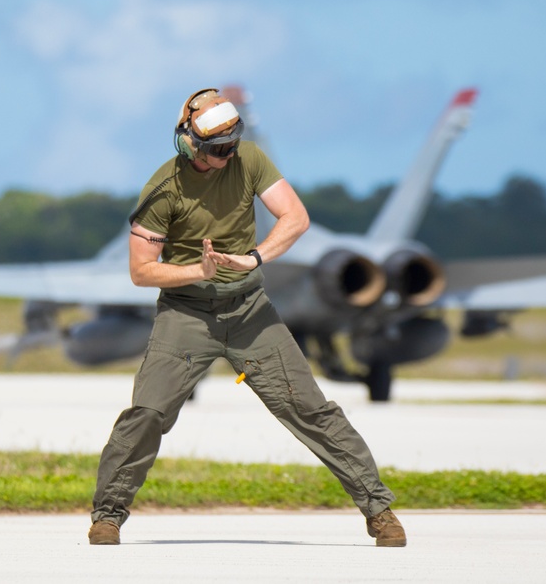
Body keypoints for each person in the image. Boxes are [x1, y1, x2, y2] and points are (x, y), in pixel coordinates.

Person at [88, 87, 406, 547]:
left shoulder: (249, 159)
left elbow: (295, 217)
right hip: (187, 314)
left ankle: (379, 511)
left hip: (250, 311)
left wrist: (256, 258)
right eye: (218, 149)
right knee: (148, 413)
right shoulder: (163, 191)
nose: (228, 154)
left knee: (310, 409)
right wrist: (199, 270)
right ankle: (108, 515)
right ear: (188, 142)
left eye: (232, 143)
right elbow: (141, 271)